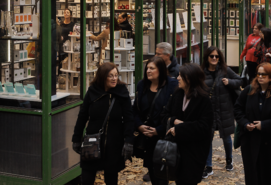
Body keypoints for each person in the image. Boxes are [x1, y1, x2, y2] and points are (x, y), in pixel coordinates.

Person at [72, 62, 134, 185]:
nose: (114, 78)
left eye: (116, 75)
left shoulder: (122, 93)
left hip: (113, 143)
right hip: (92, 141)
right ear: (102, 76)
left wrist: (129, 141)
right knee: (87, 178)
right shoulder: (92, 92)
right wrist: (76, 138)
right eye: (110, 76)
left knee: (111, 178)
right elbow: (82, 116)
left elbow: (129, 118)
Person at [158, 64, 213, 185]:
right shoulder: (177, 94)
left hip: (194, 153)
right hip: (176, 151)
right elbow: (164, 115)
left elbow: (204, 127)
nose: (177, 78)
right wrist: (174, 121)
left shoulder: (204, 99)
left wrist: (180, 128)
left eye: (180, 76)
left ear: (189, 79)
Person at [234, 63, 271, 185]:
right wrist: (245, 123)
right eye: (258, 74)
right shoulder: (249, 91)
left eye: (264, 74)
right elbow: (238, 109)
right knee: (252, 174)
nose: (260, 77)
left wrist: (264, 125)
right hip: (250, 141)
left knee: (270, 175)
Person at [133, 57, 178, 185]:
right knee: (153, 173)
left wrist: (158, 130)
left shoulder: (172, 86)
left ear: (161, 70)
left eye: (152, 68)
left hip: (164, 138)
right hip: (147, 139)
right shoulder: (142, 85)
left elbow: (174, 113)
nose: (148, 71)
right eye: (147, 68)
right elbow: (135, 110)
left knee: (162, 176)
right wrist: (139, 126)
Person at [201, 47, 242, 178]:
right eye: (211, 56)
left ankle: (229, 161)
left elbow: (240, 80)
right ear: (207, 57)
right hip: (208, 111)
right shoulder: (201, 72)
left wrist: (230, 82)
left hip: (224, 109)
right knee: (207, 138)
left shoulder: (225, 70)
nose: (214, 58)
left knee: (226, 137)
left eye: (216, 56)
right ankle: (208, 166)